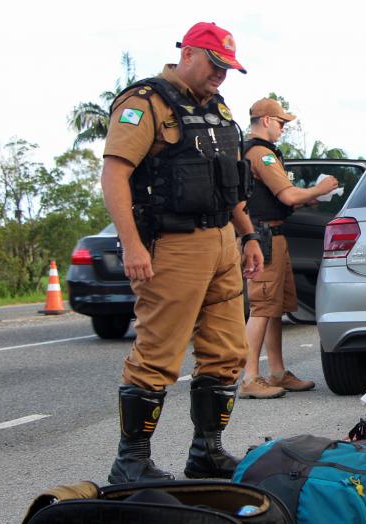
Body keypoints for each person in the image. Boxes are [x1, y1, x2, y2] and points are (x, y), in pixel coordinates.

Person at [101, 22, 264, 484]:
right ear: (188, 53)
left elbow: (225, 182)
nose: (221, 75)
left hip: (221, 244)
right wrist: (132, 245)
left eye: (227, 68)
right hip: (171, 246)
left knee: (227, 352)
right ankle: (131, 464)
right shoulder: (144, 104)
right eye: (215, 65)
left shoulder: (216, 109)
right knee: (158, 354)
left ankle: (206, 453)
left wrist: (248, 236)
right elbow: (114, 175)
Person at [239, 98, 339, 399]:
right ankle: (250, 377)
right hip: (262, 237)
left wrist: (308, 197)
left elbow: (283, 197)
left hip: (273, 235)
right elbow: (287, 195)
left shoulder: (260, 152)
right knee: (261, 307)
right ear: (266, 120)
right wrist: (320, 190)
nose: (283, 128)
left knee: (274, 309)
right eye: (281, 122)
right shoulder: (260, 154)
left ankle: (278, 372)